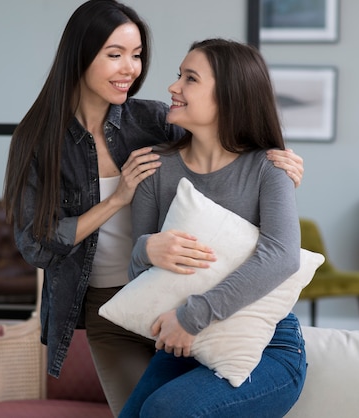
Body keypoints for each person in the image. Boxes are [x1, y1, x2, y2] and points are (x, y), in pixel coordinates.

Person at [3, 1, 304, 415]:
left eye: (137, 54)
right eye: (115, 54)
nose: (131, 68)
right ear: (80, 55)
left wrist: (282, 164)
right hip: (112, 305)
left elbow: (222, 137)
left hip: (188, 299)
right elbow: (37, 246)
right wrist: (117, 202)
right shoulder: (37, 140)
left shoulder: (153, 121)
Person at [119, 38, 307, 418]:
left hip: (267, 348)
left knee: (165, 409)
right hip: (182, 345)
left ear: (229, 96)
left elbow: (282, 257)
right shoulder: (155, 168)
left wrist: (192, 317)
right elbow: (140, 276)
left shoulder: (271, 168)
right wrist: (146, 249)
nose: (173, 88)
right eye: (178, 76)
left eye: (190, 79)